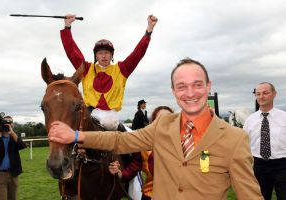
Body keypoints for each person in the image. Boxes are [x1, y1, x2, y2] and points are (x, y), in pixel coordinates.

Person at [48, 58, 263, 199]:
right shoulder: (163, 124)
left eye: (197, 84)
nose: (190, 93)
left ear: (208, 86)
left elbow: (249, 195)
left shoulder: (235, 139)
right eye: (181, 86)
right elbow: (120, 141)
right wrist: (76, 135)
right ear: (173, 91)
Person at [60, 14, 158, 130]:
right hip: (90, 114)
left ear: (111, 55)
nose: (103, 56)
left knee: (110, 122)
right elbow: (72, 52)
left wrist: (149, 31)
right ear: (96, 56)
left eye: (107, 53)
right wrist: (67, 28)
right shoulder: (86, 69)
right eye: (100, 53)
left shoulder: (121, 69)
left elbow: (138, 53)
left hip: (111, 117)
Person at [110, 106, 174, 200]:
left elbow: (203, 168)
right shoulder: (144, 149)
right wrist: (118, 173)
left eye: (169, 118)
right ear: (153, 124)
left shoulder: (190, 143)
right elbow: (130, 171)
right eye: (160, 119)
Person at [243, 82, 286, 200]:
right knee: (260, 197)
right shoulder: (249, 121)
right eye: (258, 94)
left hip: (282, 167)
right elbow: (244, 145)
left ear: (274, 94)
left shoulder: (284, 118)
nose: (261, 97)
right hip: (258, 167)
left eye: (265, 93)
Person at [0, 115, 27, 200]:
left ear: (13, 125)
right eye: (5, 122)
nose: (7, 124)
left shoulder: (14, 137)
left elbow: (22, 146)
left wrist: (12, 133)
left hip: (13, 174)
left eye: (10, 122)